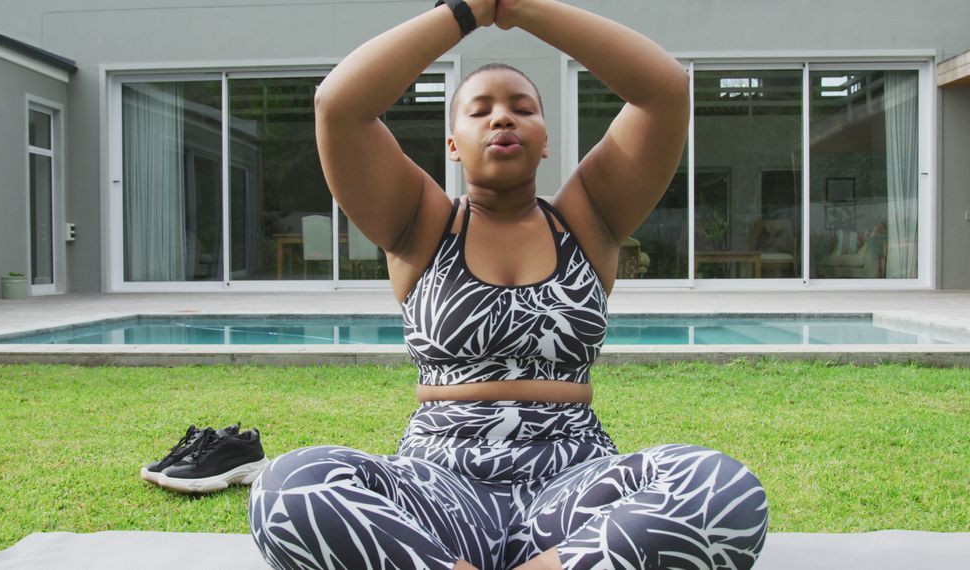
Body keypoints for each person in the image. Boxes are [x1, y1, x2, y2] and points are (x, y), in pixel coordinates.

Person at [248, 1, 769, 568]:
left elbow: (665, 91)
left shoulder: (588, 219)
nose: (502, 118)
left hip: (572, 484)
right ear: (452, 144)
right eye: (480, 111)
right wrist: (466, 11)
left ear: (545, 140)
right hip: (440, 488)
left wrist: (520, 8)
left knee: (725, 488)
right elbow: (339, 105)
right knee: (286, 486)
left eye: (522, 108)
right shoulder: (420, 224)